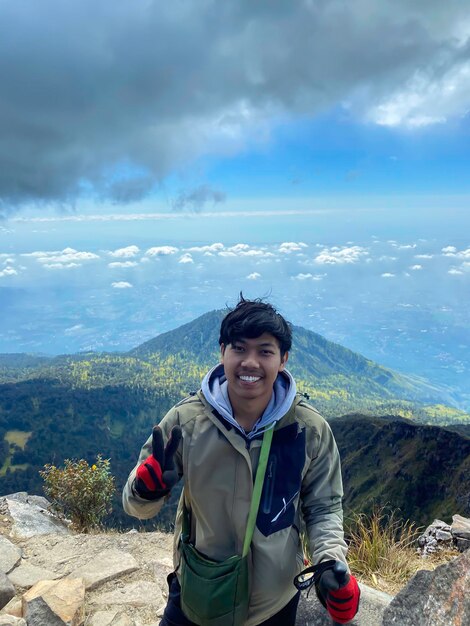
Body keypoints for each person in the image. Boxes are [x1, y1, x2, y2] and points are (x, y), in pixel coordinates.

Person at [123, 296, 360, 626]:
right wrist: (145, 490)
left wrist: (330, 562)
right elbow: (136, 507)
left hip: (274, 602)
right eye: (239, 348)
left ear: (283, 359)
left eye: (265, 351)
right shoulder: (185, 423)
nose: (250, 362)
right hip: (198, 592)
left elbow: (324, 507)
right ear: (223, 353)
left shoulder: (309, 430)